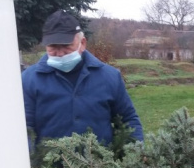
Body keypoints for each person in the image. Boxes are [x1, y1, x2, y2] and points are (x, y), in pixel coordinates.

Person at [22, 10, 143, 149]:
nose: (60, 53)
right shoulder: (29, 80)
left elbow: (129, 121)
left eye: (66, 46)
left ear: (83, 43)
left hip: (100, 167)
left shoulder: (109, 77)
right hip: (47, 167)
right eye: (53, 47)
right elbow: (24, 129)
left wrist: (135, 156)